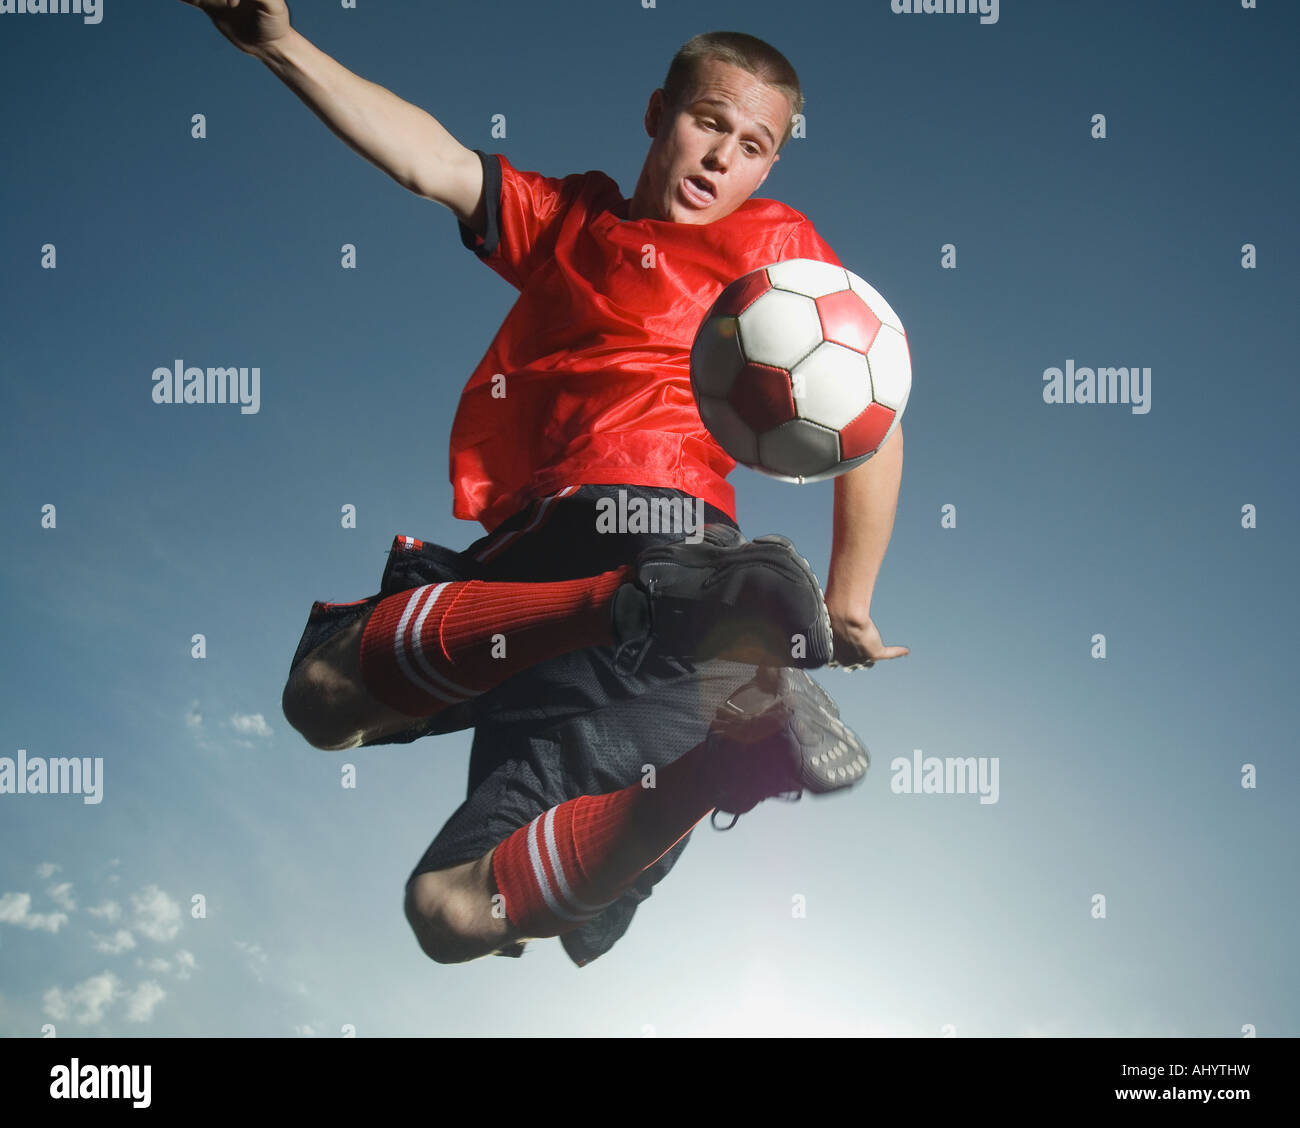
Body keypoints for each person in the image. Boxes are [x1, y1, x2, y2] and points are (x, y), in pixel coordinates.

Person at [180, 0, 909, 968]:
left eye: (753, 144)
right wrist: (278, 43)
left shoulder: (773, 247)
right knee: (425, 877)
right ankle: (725, 737)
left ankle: (679, 656)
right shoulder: (574, 222)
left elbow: (868, 407)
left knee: (367, 762)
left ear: (771, 165)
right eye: (708, 121)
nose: (722, 156)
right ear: (657, 113)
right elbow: (434, 162)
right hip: (598, 583)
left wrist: (849, 595)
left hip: (658, 527)